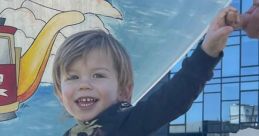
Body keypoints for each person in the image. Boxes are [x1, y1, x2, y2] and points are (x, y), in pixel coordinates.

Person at [52, 7, 237, 136]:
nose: (84, 85)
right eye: (73, 77)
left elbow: (174, 97)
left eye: (98, 75)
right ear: (60, 93)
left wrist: (207, 52)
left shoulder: (129, 123)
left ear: (124, 91)